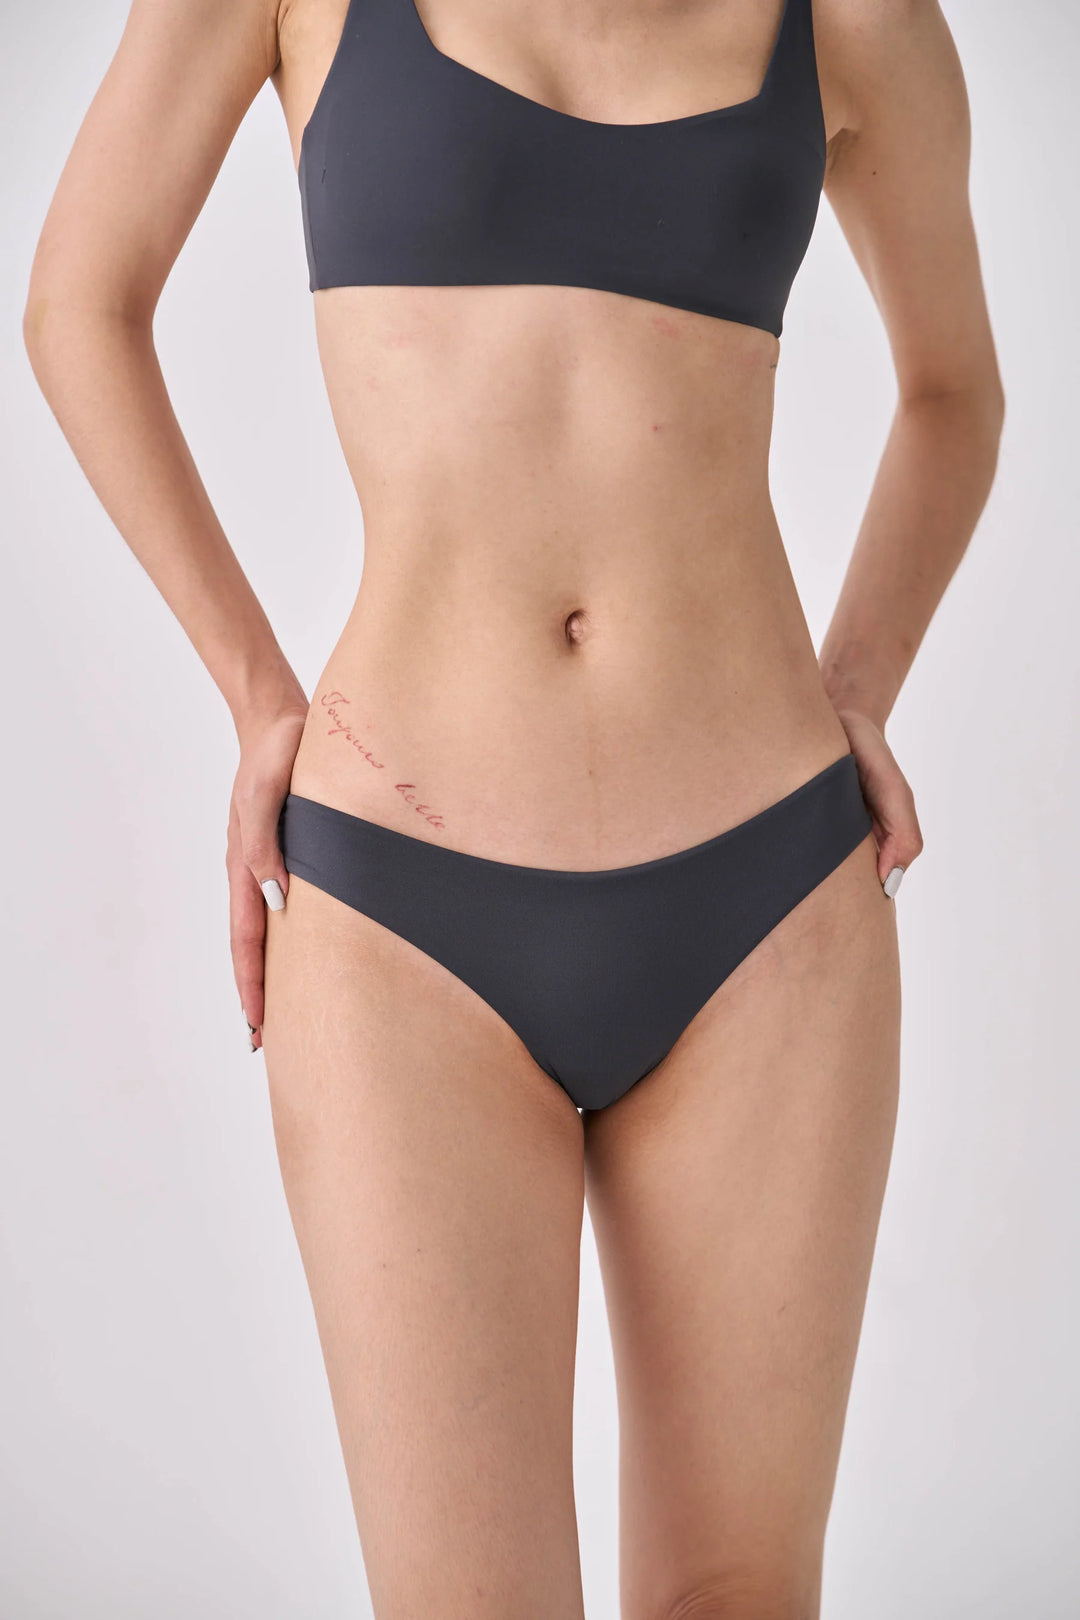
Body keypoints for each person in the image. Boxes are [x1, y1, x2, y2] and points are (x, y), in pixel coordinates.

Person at [23, 0, 1003, 1612]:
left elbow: (955, 390)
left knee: (740, 1596)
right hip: (400, 904)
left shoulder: (858, 19)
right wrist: (255, 693)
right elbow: (80, 301)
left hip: (771, 895)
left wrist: (862, 683)